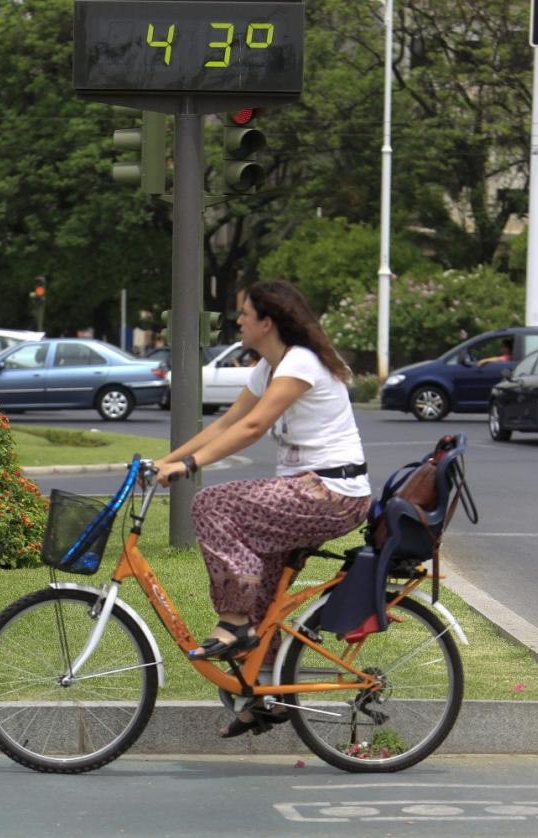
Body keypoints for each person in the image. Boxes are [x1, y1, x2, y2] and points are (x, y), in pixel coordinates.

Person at [155, 280, 372, 737]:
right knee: (267, 596)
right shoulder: (268, 367)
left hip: (331, 494)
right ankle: (265, 694)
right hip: (306, 493)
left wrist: (190, 467)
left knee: (212, 503)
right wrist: (170, 460)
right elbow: (229, 421)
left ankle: (233, 622)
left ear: (267, 322)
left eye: (244, 314)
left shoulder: (300, 363)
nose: (238, 321)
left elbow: (254, 426)